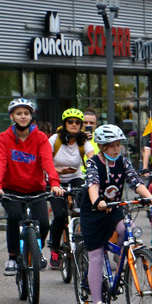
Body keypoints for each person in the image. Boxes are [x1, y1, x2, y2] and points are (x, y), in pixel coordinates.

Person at [80, 125, 152, 304]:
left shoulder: (123, 162)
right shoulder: (93, 163)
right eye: (111, 146)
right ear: (102, 146)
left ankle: (120, 257)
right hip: (93, 213)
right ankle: (98, 303)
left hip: (113, 208)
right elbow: (93, 184)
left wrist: (149, 196)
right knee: (96, 255)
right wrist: (97, 201)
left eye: (118, 145)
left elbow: (135, 181)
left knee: (127, 229)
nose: (116, 149)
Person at [0, 98, 64, 274]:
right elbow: (1, 163)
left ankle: (37, 250)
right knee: (14, 217)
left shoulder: (40, 138)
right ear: (12, 116)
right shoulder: (3, 138)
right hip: (11, 189)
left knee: (44, 223)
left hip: (36, 189)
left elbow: (47, 162)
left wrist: (54, 183)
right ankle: (13, 257)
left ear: (31, 116)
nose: (23, 117)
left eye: (26, 113)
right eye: (19, 113)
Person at [47, 108, 94, 268]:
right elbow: (44, 160)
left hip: (75, 177)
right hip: (55, 179)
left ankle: (84, 242)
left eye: (77, 122)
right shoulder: (54, 139)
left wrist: (96, 174)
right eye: (70, 122)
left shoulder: (83, 142)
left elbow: (92, 159)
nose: (74, 125)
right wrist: (59, 171)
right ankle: (54, 248)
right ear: (65, 124)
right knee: (59, 215)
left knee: (84, 207)